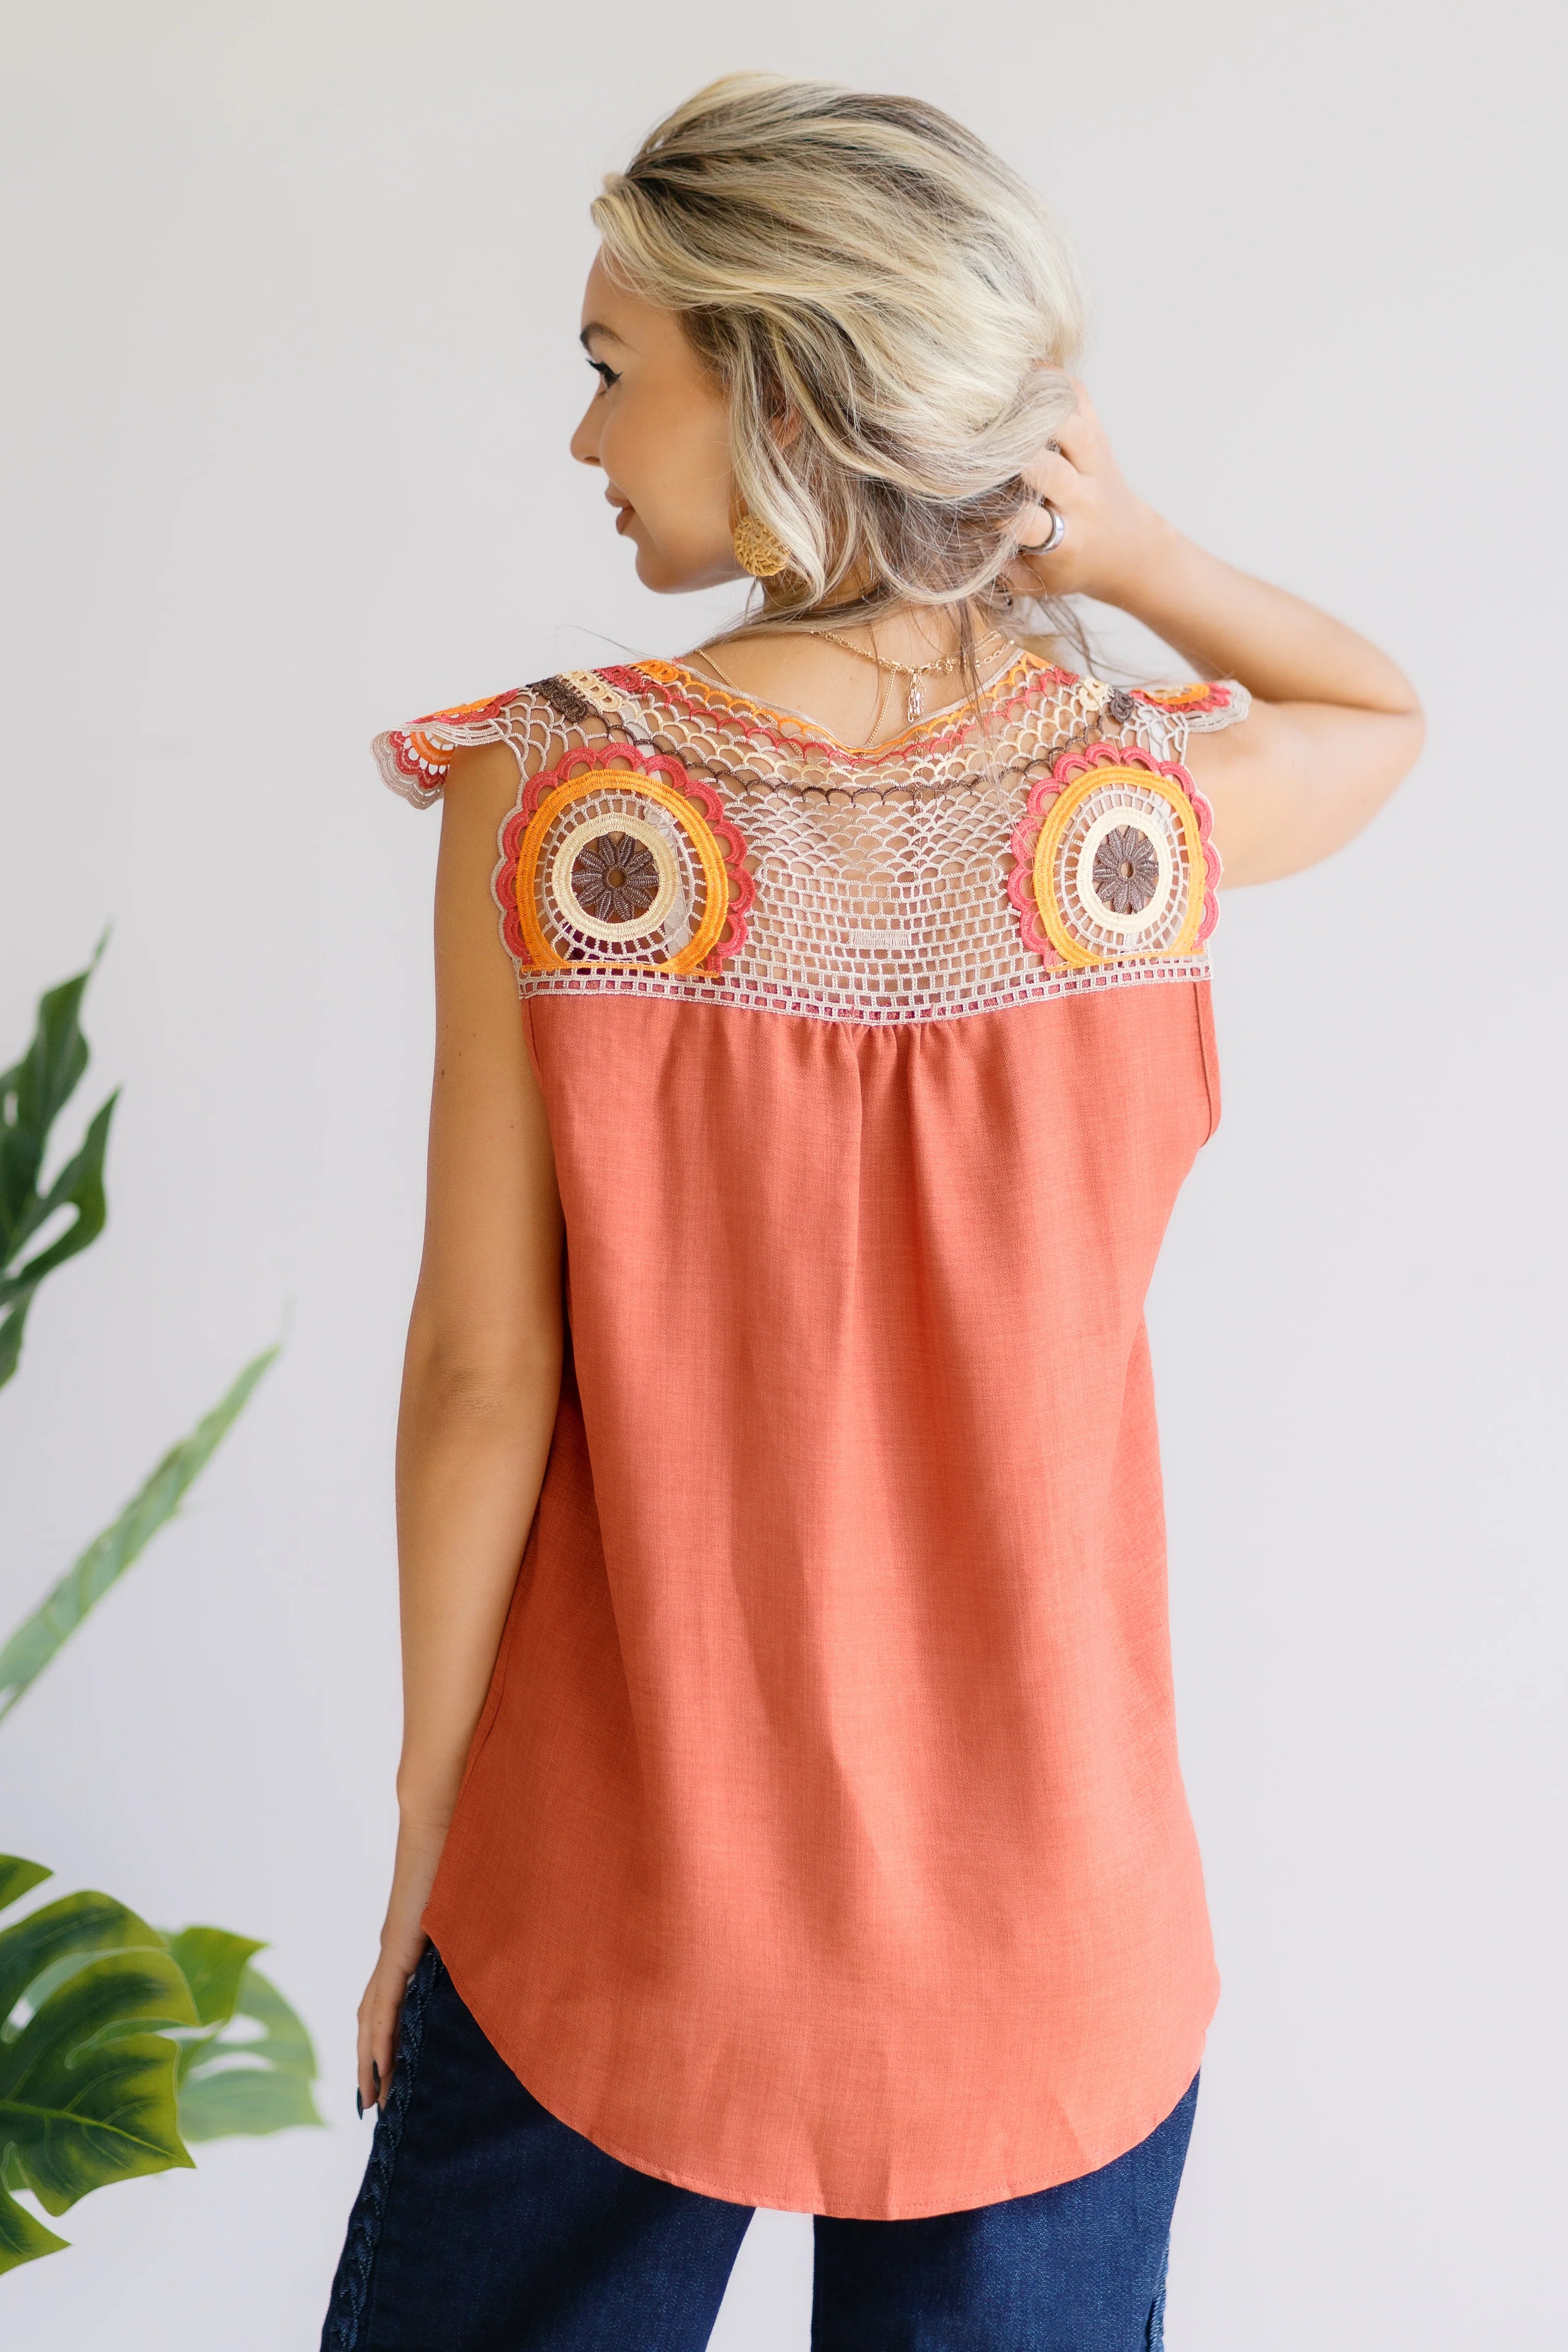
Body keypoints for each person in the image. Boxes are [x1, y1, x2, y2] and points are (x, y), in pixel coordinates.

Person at [321, 74, 1423, 2352]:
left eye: (614, 366)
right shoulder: (1129, 817)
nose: (581, 436)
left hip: (623, 1888)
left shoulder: (553, 796)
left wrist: (427, 1826)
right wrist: (1124, 555)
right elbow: (1373, 711)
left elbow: (477, 1373)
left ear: (777, 376)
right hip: (1051, 1916)